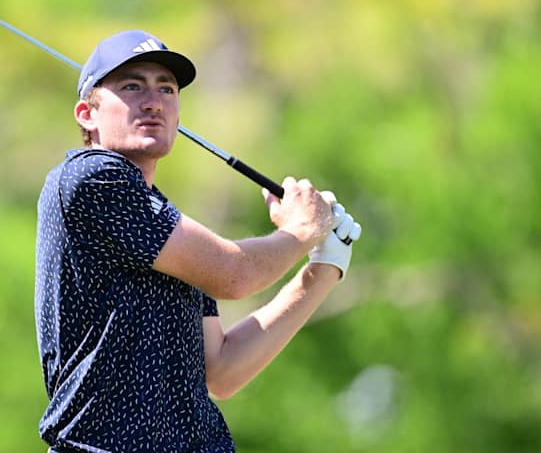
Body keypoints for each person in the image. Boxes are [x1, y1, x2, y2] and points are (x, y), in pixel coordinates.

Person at [34, 30, 361, 453]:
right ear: (86, 114)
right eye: (132, 86)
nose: (153, 101)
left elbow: (222, 370)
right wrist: (299, 231)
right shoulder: (89, 177)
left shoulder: (166, 227)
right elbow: (235, 274)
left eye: (166, 89)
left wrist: (322, 268)